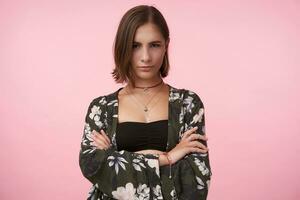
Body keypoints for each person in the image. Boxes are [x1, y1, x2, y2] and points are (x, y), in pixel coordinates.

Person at [79, 5, 212, 200]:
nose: (145, 57)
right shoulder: (101, 108)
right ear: (123, 47)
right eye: (135, 46)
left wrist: (118, 159)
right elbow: (94, 167)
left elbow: (196, 180)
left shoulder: (188, 104)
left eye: (154, 45)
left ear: (166, 44)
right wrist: (167, 158)